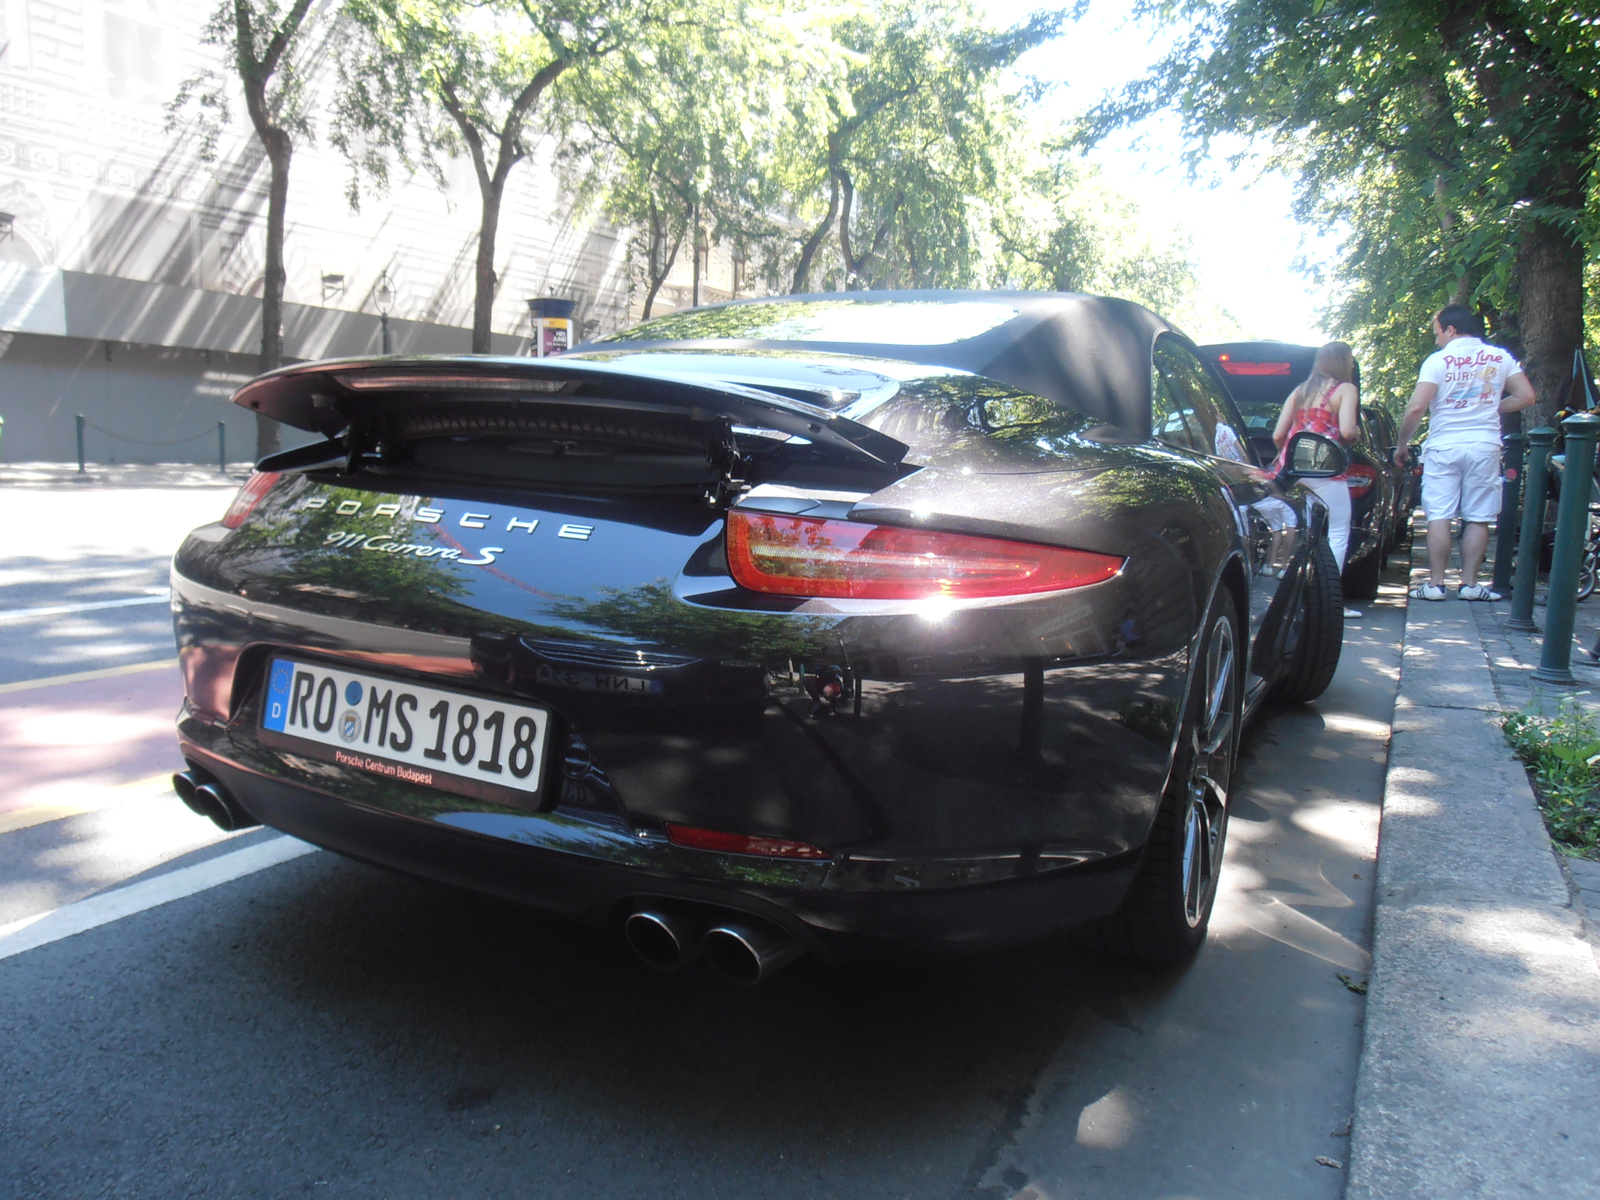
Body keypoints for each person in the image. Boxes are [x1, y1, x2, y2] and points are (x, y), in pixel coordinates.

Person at [1394, 305, 1536, 601]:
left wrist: (1402, 443)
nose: (1436, 340)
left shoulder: (1438, 360)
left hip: (1445, 445)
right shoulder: (1500, 358)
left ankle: (1435, 585)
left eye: (1437, 333)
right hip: (1484, 444)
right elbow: (1526, 397)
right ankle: (1470, 586)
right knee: (1478, 516)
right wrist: (1490, 405)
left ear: (1451, 329)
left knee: (1440, 516)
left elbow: (1416, 407)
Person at [1272, 341, 1361, 586]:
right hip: (1325, 470)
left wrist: (1288, 457)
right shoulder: (1345, 390)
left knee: (1308, 532)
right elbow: (1347, 431)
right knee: (1338, 531)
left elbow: (1278, 435)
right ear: (1343, 362)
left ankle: (1298, 590)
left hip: (1294, 472)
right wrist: (1355, 436)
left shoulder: (1299, 391)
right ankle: (1327, 595)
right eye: (1350, 360)